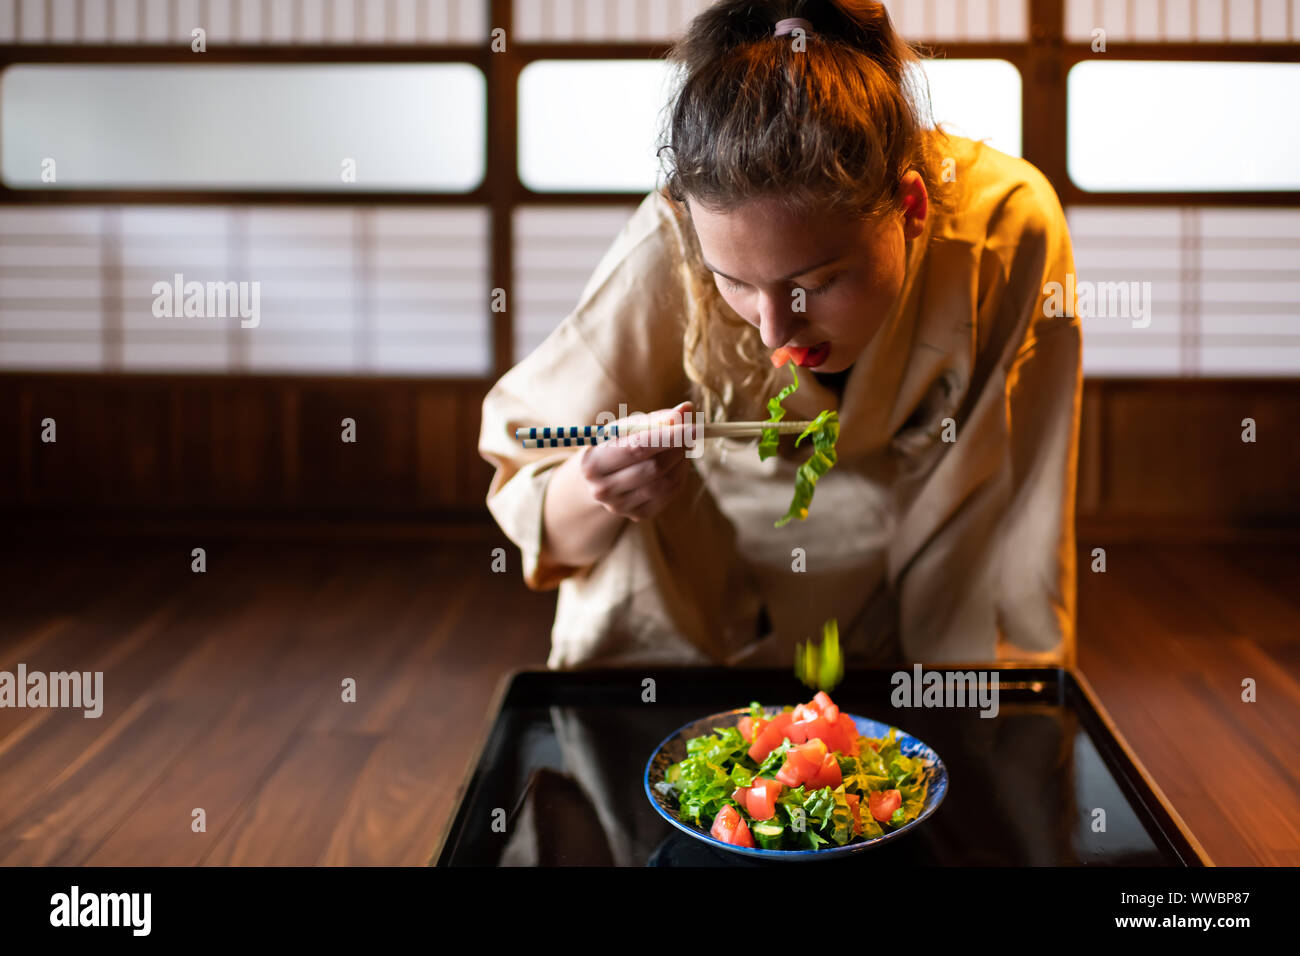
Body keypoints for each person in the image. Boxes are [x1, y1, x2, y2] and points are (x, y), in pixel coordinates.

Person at [479, 0, 1082, 672]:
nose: (773, 328)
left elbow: (1021, 511)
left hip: (917, 594)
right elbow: (530, 478)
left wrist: (1001, 727)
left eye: (817, 282)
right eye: (732, 283)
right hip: (711, 606)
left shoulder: (1006, 226)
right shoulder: (671, 239)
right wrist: (599, 486)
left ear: (911, 208)